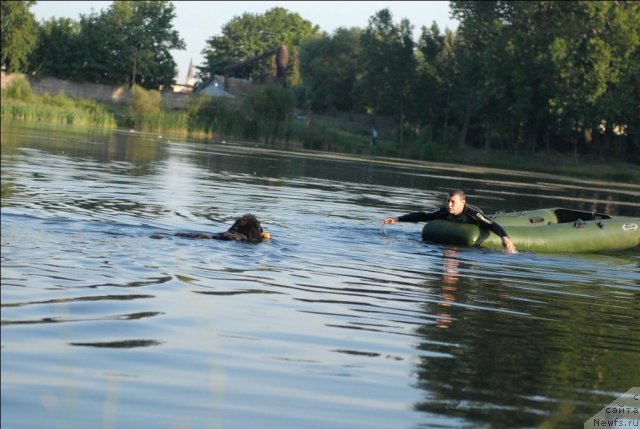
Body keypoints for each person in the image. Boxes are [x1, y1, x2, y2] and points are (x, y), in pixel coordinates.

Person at [381, 189, 517, 253]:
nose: (449, 205)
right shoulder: (445, 211)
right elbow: (423, 215)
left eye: (453, 202)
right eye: (448, 201)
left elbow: (491, 224)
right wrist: (398, 219)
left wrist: (505, 237)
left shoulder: (472, 213)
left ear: (463, 202)